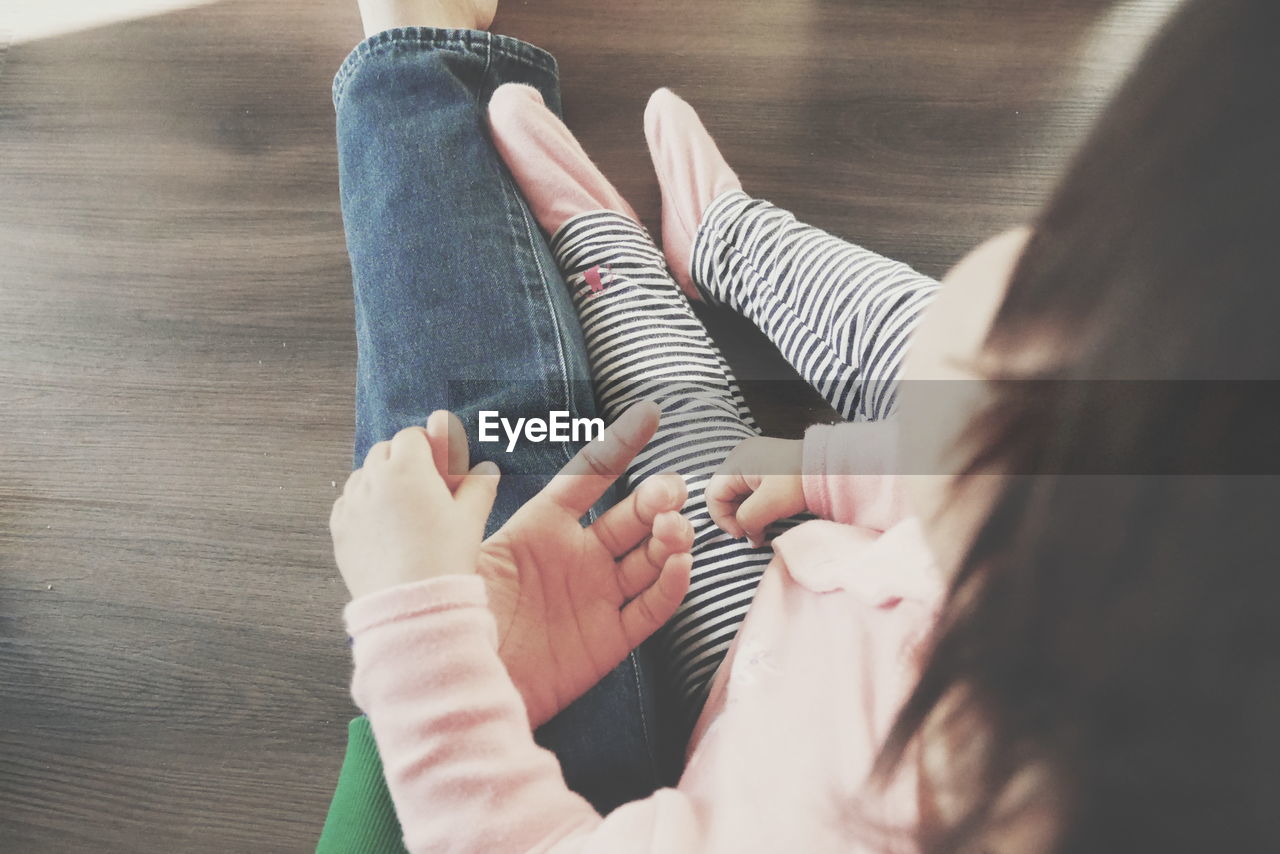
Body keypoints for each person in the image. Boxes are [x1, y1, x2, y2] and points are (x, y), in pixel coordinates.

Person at [329, 0, 1280, 851]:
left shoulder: (813, 825)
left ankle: (607, 258)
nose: (1019, 254)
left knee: (677, 448)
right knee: (932, 351)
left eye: (1055, 272)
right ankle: (730, 240)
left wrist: (414, 620)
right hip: (882, 563)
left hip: (756, 682)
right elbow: (1022, 476)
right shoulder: (1165, 555)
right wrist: (832, 467)